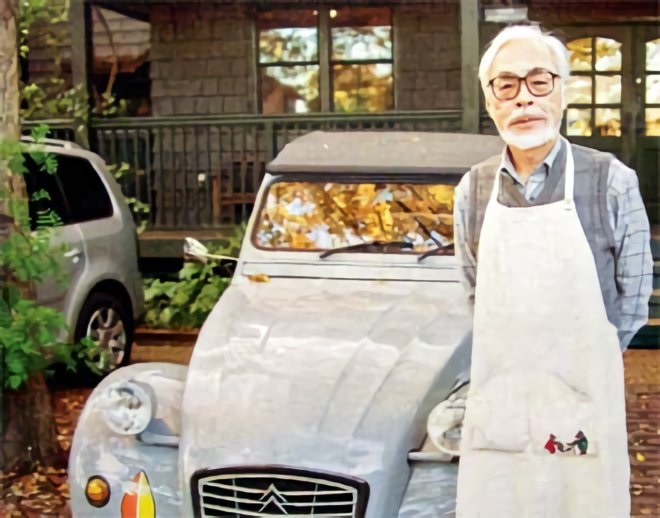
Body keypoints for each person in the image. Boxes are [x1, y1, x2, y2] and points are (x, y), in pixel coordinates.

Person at [452, 24, 653, 517]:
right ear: (490, 99)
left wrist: (584, 367)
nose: (523, 99)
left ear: (562, 90)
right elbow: (475, 293)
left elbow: (633, 301)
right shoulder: (472, 191)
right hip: (502, 398)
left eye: (539, 81)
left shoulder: (611, 181)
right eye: (507, 85)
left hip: (581, 399)